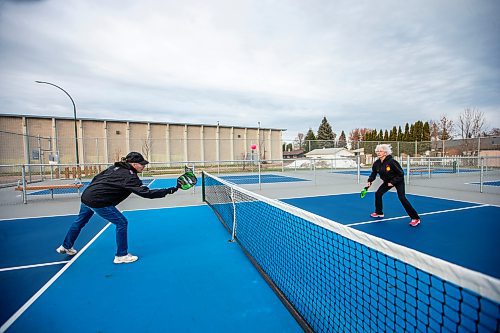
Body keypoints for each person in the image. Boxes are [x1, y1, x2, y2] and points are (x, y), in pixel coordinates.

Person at [56, 152, 179, 264]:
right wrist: (169, 190)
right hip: (99, 201)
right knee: (122, 222)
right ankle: (121, 255)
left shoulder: (114, 168)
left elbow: (96, 178)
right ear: (134, 164)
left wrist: (94, 190)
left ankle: (66, 246)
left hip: (87, 196)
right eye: (142, 164)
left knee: (79, 222)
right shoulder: (130, 177)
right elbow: (146, 193)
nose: (144, 166)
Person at [366, 144, 421, 227]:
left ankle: (415, 218)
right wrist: (370, 180)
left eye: (380, 151)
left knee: (402, 198)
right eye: (377, 151)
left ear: (385, 153)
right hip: (387, 181)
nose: (378, 153)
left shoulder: (392, 162)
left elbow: (401, 173)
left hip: (398, 181)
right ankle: (379, 213)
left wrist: (393, 182)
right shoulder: (376, 163)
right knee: (378, 194)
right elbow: (374, 173)